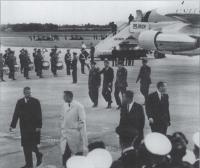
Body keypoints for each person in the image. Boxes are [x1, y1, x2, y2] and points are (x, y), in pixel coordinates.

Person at [9, 87, 43, 168]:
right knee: (25, 146)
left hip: (34, 127)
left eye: (29, 93)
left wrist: (39, 126)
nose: (28, 94)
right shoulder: (19, 102)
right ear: (24, 93)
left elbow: (39, 114)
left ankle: (38, 155)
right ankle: (29, 164)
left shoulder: (35, 101)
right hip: (24, 128)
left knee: (32, 145)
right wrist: (12, 125)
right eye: (27, 93)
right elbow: (16, 114)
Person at [60, 91, 88, 168]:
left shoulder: (79, 106)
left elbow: (82, 121)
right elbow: (62, 118)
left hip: (75, 134)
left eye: (64, 96)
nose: (63, 98)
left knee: (78, 154)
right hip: (65, 134)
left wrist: (77, 129)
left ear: (69, 97)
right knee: (65, 153)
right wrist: (63, 128)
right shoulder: (64, 106)